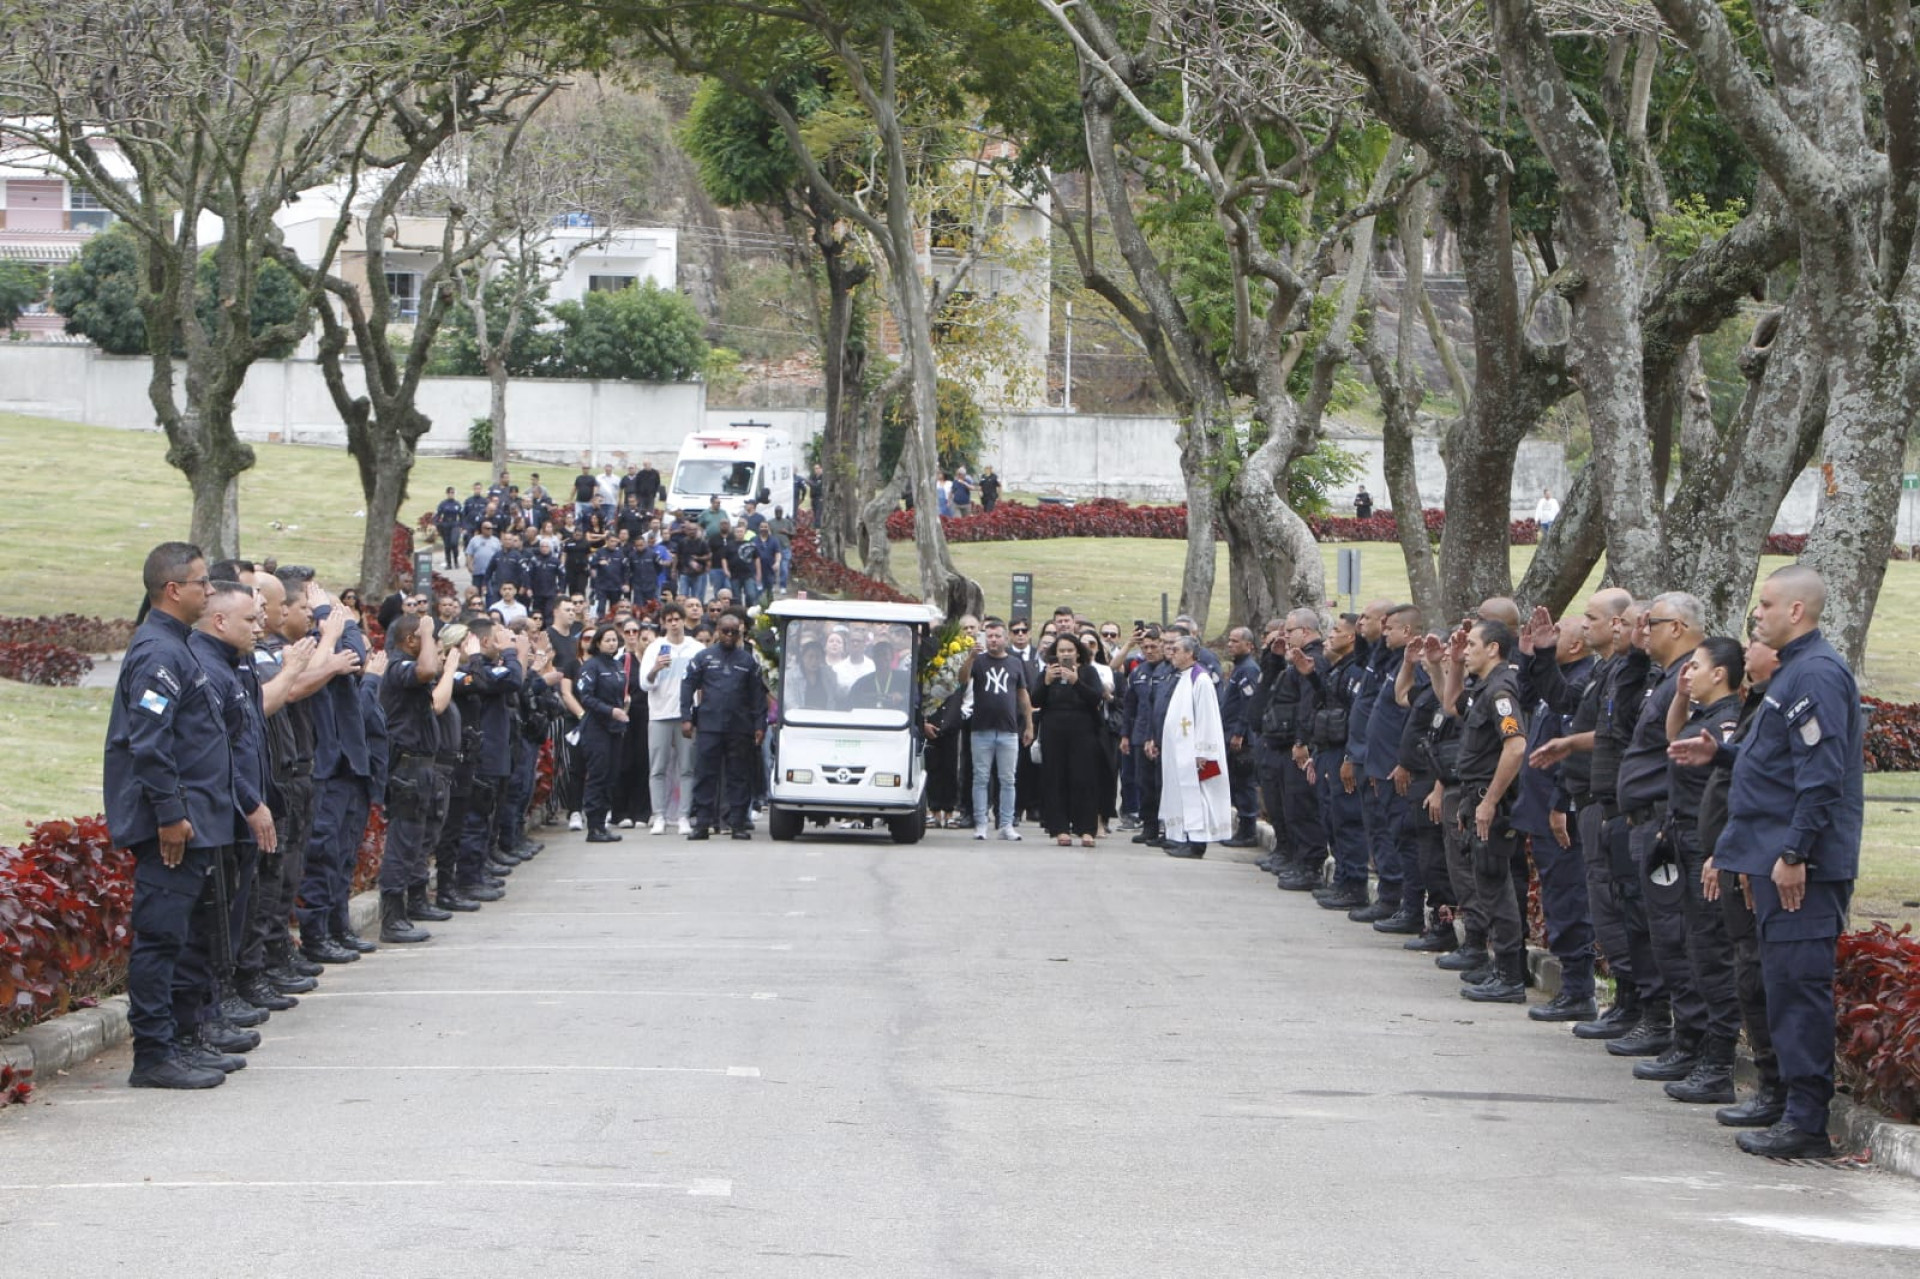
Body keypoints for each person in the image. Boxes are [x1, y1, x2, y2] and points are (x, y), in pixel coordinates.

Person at [1668, 566, 1862, 1158]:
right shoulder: (1789, 673)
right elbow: (1775, 763)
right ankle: (1784, 1100)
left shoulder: (1817, 675)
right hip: (1771, 858)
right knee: (1777, 987)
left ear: (1797, 612)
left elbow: (1821, 777)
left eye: (1767, 604)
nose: (1756, 614)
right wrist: (1721, 753)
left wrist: (1795, 852)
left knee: (1798, 990)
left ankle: (1806, 1121)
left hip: (1800, 867)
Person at [105, 545, 244, 1088]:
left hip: (195, 819)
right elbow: (150, 743)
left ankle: (183, 1040)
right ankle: (154, 1055)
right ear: (172, 590)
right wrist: (169, 814)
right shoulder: (159, 654)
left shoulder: (178, 647)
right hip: (173, 825)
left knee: (184, 936)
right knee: (161, 937)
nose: (210, 591)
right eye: (202, 582)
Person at [1431, 619, 1530, 1002]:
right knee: (1486, 884)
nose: (1466, 648)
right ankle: (1500, 967)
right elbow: (1451, 705)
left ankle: (1509, 976)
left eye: (1472, 644)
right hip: (1474, 796)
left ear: (1494, 649)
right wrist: (1454, 663)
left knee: (1494, 882)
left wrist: (1488, 801)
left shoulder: (1502, 689)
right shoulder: (1482, 687)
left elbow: (1515, 746)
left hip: (1493, 801)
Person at [378, 613, 459, 941]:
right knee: (403, 842)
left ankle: (413, 902)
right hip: (407, 769)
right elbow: (427, 669)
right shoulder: (399, 667)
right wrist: (426, 631)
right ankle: (392, 918)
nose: (435, 645)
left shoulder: (410, 671)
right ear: (411, 640)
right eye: (428, 639)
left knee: (419, 841)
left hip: (422, 768)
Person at [681, 611, 768, 840]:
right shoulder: (704, 657)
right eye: (725, 631)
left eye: (734, 632)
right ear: (717, 631)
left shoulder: (748, 661)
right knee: (704, 775)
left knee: (738, 776)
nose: (729, 635)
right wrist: (686, 717)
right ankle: (702, 824)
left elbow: (758, 697)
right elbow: (687, 685)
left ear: (740, 633)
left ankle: (737, 823)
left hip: (739, 727)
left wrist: (760, 725)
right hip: (709, 725)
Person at [952, 618, 1034, 841]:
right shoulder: (978, 661)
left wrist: (1029, 724)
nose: (994, 640)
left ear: (1005, 638)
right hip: (981, 729)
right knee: (981, 778)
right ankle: (981, 823)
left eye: (997, 636)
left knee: (1008, 779)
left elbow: (1023, 694)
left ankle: (1006, 824)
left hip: (1008, 730)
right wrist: (970, 657)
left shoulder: (1015, 663)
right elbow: (962, 679)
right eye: (990, 636)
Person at [1158, 635, 1233, 858]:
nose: (1172, 653)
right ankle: (1183, 836)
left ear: (1190, 654)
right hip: (1179, 750)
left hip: (1195, 752)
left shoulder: (1201, 679)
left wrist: (1203, 751)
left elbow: (1207, 717)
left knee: (1197, 796)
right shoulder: (1182, 677)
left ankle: (1197, 843)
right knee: (1182, 795)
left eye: (1177, 649)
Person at [1033, 633, 1105, 846]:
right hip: (1053, 730)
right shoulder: (1047, 672)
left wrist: (1076, 682)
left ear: (1077, 652)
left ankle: (1086, 829)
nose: (1065, 654)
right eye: (1061, 651)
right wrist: (1046, 682)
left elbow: (1095, 698)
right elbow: (1035, 700)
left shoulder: (1088, 672)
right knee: (1055, 778)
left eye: (1069, 650)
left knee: (1084, 778)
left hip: (1083, 731)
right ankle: (1060, 828)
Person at [644, 603, 705, 835]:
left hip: (685, 716)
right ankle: (658, 814)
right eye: (668, 619)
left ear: (682, 620)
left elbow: (702, 682)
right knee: (657, 768)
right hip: (659, 713)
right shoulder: (655, 647)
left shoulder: (696, 648)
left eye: (677, 619)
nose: (673, 623)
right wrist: (656, 669)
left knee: (687, 768)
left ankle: (683, 815)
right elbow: (644, 683)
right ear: (664, 623)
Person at [575, 622, 631, 842]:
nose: (611, 643)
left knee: (611, 775)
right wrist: (610, 711)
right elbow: (586, 697)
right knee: (597, 776)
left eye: (614, 640)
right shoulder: (592, 666)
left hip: (615, 728)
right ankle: (593, 826)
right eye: (607, 640)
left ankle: (602, 823)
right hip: (596, 728)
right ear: (597, 643)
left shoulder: (617, 666)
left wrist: (622, 709)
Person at [1217, 627, 1262, 850]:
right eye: (1230, 640)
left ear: (1248, 645)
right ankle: (1241, 829)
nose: (1230, 644)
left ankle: (1248, 831)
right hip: (1228, 734)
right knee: (1236, 783)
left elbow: (1249, 704)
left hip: (1241, 740)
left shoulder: (1249, 670)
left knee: (1244, 785)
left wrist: (1239, 732)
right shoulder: (1238, 669)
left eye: (1235, 641)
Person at [435, 487, 464, 569]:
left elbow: (461, 516)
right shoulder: (443, 504)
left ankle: (456, 561)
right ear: (447, 493)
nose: (451, 494)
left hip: (455, 525)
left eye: (453, 493)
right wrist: (437, 525)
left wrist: (462, 526)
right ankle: (449, 563)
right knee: (447, 545)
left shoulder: (457, 504)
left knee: (454, 543)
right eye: (450, 493)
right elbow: (438, 515)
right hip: (445, 525)